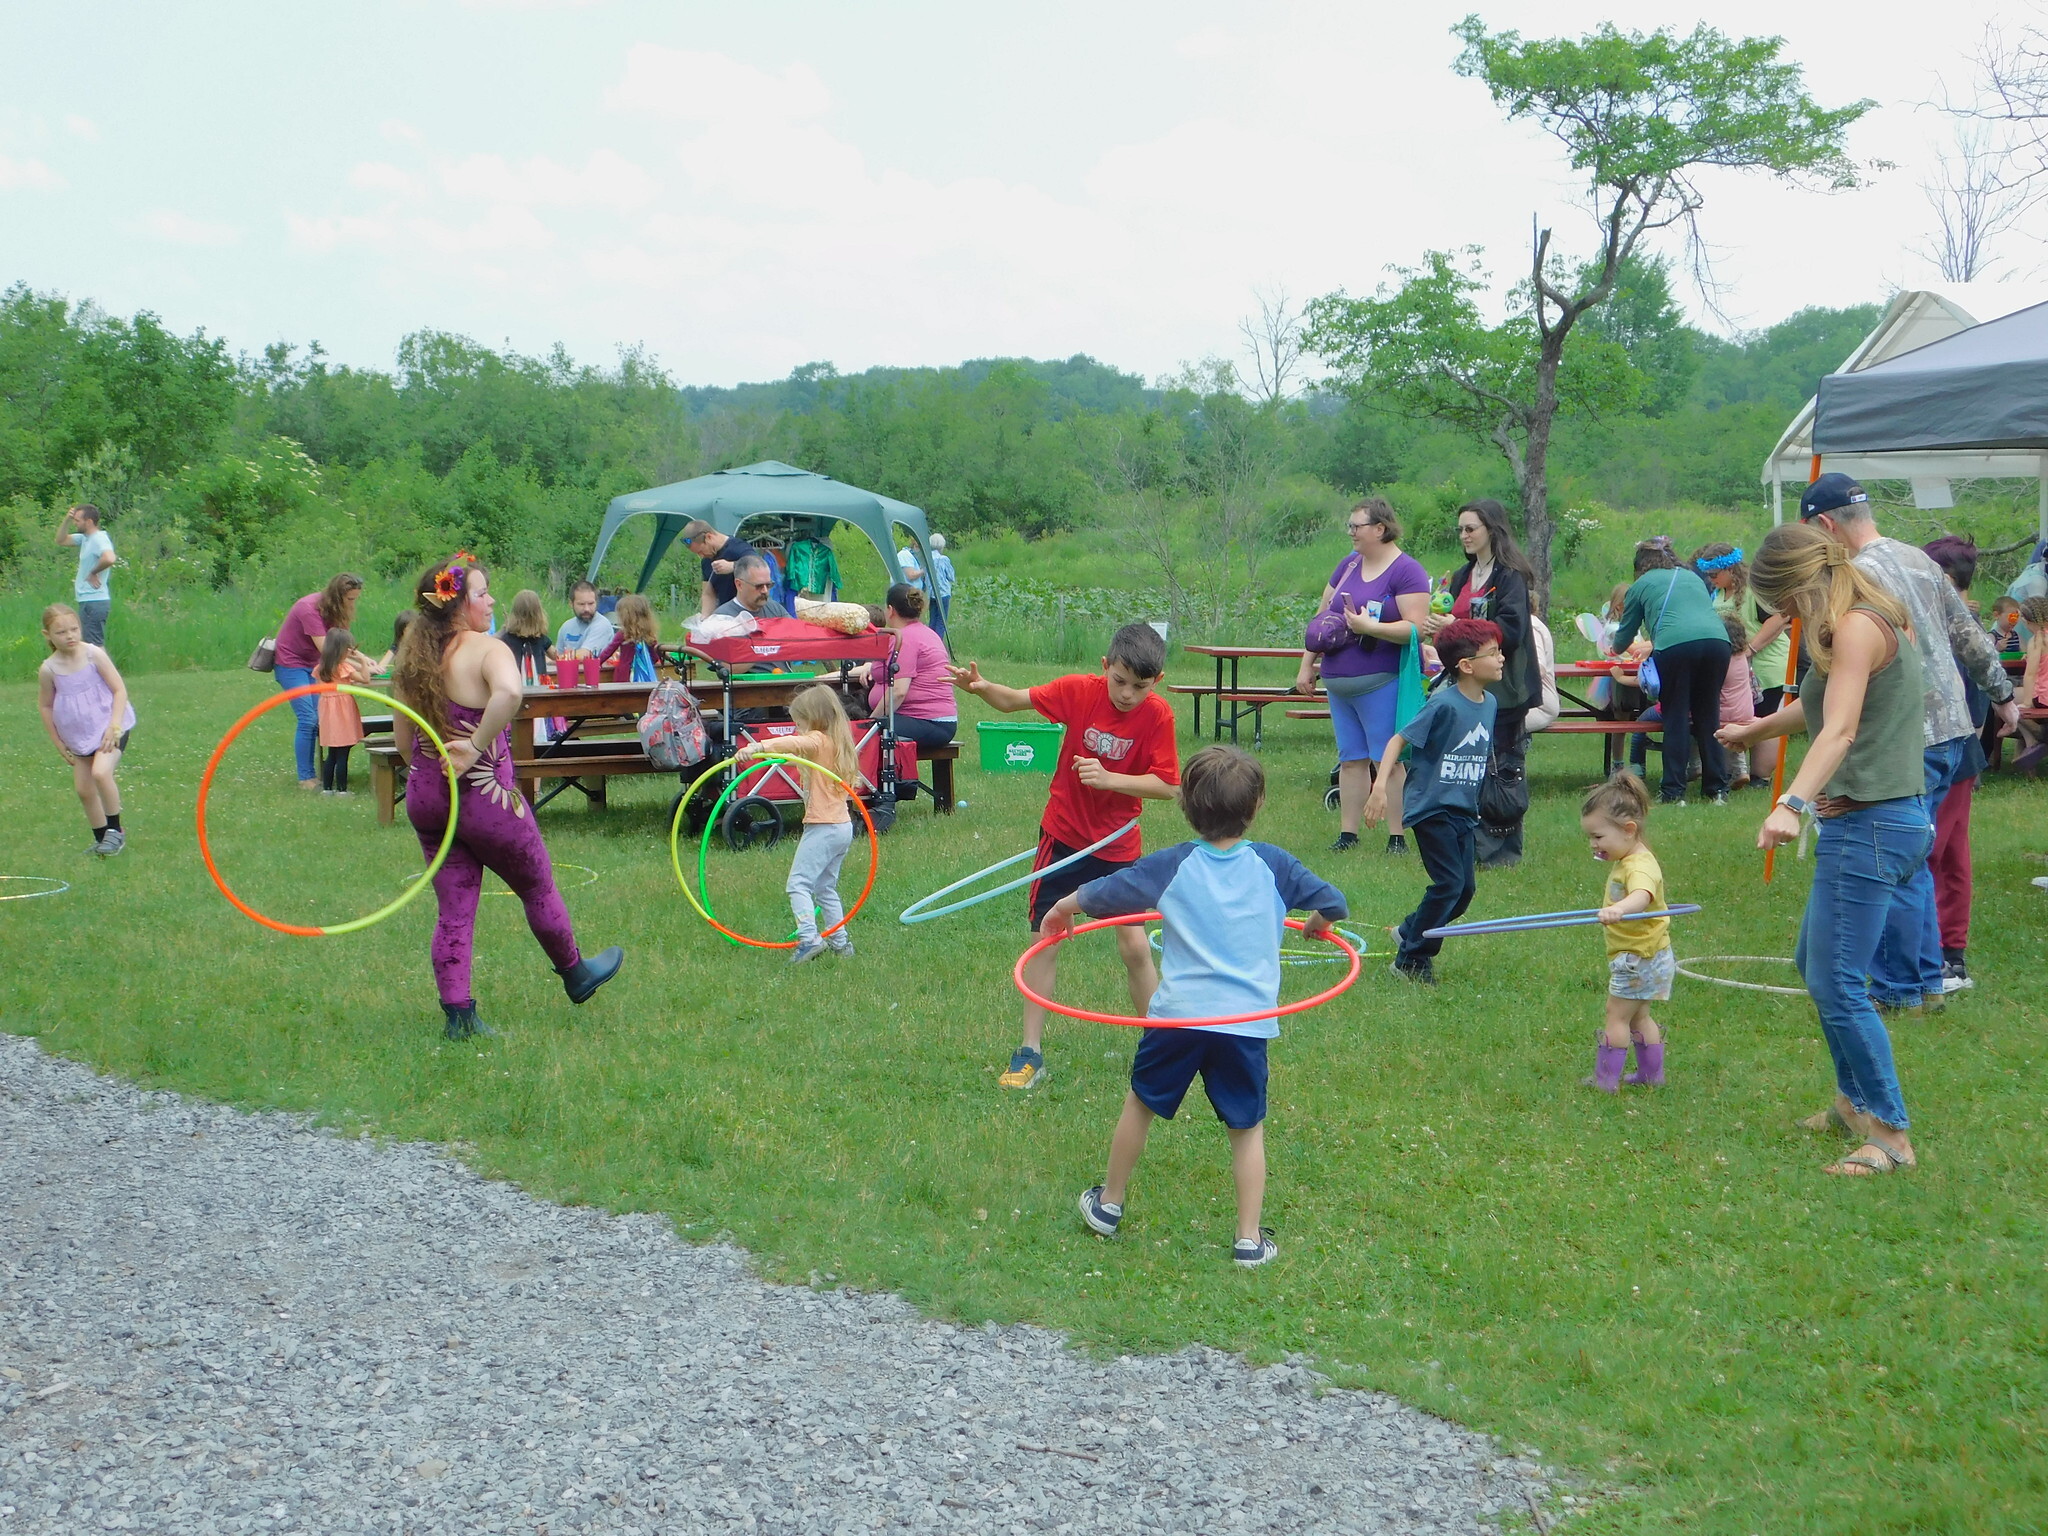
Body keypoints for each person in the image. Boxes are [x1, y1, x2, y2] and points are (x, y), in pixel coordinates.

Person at [1054, 746, 1347, 1267]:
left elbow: (1107, 892)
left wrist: (1061, 906)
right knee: (1246, 1128)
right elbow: (1333, 902)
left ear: (1186, 806)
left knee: (1140, 1104)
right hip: (1244, 1023)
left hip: (1179, 1017)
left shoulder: (1173, 864)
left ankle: (1110, 1205)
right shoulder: (1275, 865)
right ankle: (1248, 1240)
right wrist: (1319, 926)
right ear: (1256, 805)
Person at [1719, 521, 1928, 1176]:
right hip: (1863, 821)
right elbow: (1822, 707)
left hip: (1872, 822)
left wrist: (1790, 803)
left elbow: (1838, 731)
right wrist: (1757, 726)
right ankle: (1851, 1104)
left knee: (1839, 982)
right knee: (1817, 966)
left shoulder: (1859, 626)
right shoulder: (1845, 623)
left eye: (1774, 602)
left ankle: (1890, 1134)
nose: (1775, 616)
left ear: (1792, 588)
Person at [1797, 472, 2017, 1011]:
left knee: (1886, 856)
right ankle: (1924, 981)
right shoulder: (1919, 559)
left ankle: (1899, 988)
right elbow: (1968, 634)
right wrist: (2004, 696)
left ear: (1826, 526)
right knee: (1914, 857)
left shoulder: (1852, 576)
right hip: (1953, 732)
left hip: (1904, 737)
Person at [391, 555, 623, 1041]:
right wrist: (475, 747)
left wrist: (432, 763)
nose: (491, 600)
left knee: (453, 911)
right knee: (537, 886)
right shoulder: (486, 648)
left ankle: (459, 1017)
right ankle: (575, 974)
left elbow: (401, 740)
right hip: (484, 799)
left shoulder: (414, 653)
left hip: (427, 797)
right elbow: (510, 696)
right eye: (481, 593)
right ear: (457, 603)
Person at [949, 623, 1182, 1090]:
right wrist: (981, 688)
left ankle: (1159, 1047)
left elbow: (1170, 786)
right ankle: (1030, 1053)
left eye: (1140, 687)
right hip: (1063, 836)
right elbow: (1014, 700)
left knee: (1135, 945)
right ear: (1105, 667)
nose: (1127, 694)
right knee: (1045, 936)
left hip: (1116, 845)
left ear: (1155, 682)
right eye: (1119, 681)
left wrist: (1112, 779)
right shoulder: (1079, 691)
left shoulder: (1158, 716)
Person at [1366, 619, 1503, 985]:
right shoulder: (1443, 704)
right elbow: (1398, 740)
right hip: (1432, 807)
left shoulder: (1489, 703)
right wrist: (1380, 787)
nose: (1502, 658)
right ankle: (1410, 960)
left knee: (1463, 891)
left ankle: (1410, 928)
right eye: (1494, 653)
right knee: (1448, 885)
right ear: (1467, 665)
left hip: (1463, 810)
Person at [1292, 498, 1431, 856]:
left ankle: (1397, 836)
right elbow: (1323, 618)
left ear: (1380, 529)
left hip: (1381, 681)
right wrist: (1307, 663)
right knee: (1350, 759)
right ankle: (1348, 834)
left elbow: (1416, 629)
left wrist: (1373, 627)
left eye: (1357, 526)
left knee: (1389, 759)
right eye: (1350, 527)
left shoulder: (1407, 571)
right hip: (1338, 683)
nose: (1351, 533)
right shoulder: (1348, 565)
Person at [1425, 500, 1539, 867]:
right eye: (1460, 529)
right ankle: (1466, 843)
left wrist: (1456, 630)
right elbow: (1455, 631)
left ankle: (1501, 851)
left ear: (1492, 529)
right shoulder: (1462, 575)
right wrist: (1438, 630)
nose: (1465, 535)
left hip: (1505, 688)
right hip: (1466, 688)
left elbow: (1513, 628)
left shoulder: (1510, 576)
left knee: (1503, 767)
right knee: (1466, 763)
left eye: (1471, 528)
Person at [735, 684, 863, 964]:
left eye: (799, 724)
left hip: (823, 827)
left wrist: (757, 747)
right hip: (842, 826)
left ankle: (809, 938)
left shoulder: (817, 740)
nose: (798, 730)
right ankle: (841, 944)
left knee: (798, 885)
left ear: (813, 720)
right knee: (825, 888)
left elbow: (792, 744)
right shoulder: (838, 740)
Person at [1915, 538, 1991, 993]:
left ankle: (1942, 958)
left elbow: (1973, 703)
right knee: (1945, 854)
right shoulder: (1949, 625)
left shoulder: (1958, 631)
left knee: (1936, 853)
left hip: (1953, 754)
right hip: (1958, 754)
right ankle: (1946, 955)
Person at [1610, 540, 1732, 806]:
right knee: (1708, 715)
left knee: (1675, 716)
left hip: (1675, 647)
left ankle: (1674, 792)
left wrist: (1613, 647)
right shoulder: (1692, 577)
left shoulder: (1640, 586)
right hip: (1718, 644)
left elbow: (1625, 635)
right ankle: (1717, 790)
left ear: (1640, 564)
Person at [1579, 772, 1674, 1092]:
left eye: (1598, 837)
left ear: (1628, 830)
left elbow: (1643, 895)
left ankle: (1606, 1081)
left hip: (1636, 957)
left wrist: (1620, 909)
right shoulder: (1633, 856)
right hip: (1652, 953)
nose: (1593, 844)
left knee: (1615, 1016)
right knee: (1639, 1016)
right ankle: (1651, 1076)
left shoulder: (1638, 866)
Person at [37, 602, 135, 857]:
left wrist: (114, 726)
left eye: (74, 629)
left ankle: (116, 833)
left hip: (109, 728)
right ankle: (101, 838)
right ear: (47, 635)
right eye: (61, 632)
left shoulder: (93, 654)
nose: (69, 636)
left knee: (101, 773)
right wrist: (59, 743)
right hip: (78, 736)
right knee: (84, 789)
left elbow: (119, 689)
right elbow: (46, 706)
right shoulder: (48, 669)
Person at [1696, 542, 1786, 787]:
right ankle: (1737, 771)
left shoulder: (1753, 592)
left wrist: (1751, 648)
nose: (1711, 579)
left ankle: (1761, 776)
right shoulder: (1718, 594)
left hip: (1767, 666)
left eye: (1714, 574)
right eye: (1709, 575)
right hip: (1738, 670)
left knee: (1763, 720)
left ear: (1730, 569)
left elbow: (1780, 617)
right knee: (1741, 718)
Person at [274, 573, 365, 788]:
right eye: (350, 599)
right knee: (308, 719)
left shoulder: (337, 611)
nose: (353, 604)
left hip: (317, 664)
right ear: (338, 595)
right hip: (291, 663)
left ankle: (326, 773)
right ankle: (306, 777)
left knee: (322, 719)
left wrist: (366, 663)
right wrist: (360, 664)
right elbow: (328, 649)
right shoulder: (309, 608)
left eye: (355, 599)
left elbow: (343, 647)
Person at [851, 584, 956, 746]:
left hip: (929, 721)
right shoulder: (925, 633)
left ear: (890, 610)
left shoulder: (905, 639)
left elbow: (898, 692)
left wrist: (871, 723)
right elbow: (871, 669)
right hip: (930, 720)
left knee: (857, 734)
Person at [314, 628, 374, 795]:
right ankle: (342, 790)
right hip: (342, 712)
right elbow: (366, 679)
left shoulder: (321, 668)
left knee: (332, 752)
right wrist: (362, 661)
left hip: (327, 711)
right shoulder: (344, 667)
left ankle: (327, 788)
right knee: (343, 753)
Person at [55, 504, 116, 648]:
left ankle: (107, 671)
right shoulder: (85, 538)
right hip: (87, 600)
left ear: (88, 521)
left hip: (95, 600)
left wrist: (93, 572)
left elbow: (109, 558)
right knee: (89, 645)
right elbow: (60, 540)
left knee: (94, 646)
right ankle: (97, 671)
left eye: (77, 520)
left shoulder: (98, 538)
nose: (75, 523)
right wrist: (67, 520)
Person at [682, 520, 763, 614]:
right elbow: (708, 594)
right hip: (725, 616)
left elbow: (759, 565)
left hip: (750, 615)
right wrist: (704, 619)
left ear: (709, 537)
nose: (701, 556)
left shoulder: (739, 548)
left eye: (701, 551)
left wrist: (733, 566)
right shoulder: (706, 561)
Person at [1717, 612, 1757, 789]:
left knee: (1696, 722)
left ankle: (1696, 766)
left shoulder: (1722, 660)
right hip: (1746, 710)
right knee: (1735, 724)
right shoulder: (1742, 657)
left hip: (1727, 713)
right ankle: (1741, 769)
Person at [2013, 595, 2048, 773]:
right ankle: (2031, 742)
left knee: (2003, 699)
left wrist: (2026, 703)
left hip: (2043, 697)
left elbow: (2031, 674)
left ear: (2028, 621)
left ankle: (2034, 738)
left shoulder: (2037, 640)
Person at [598, 593, 664, 681]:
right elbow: (655, 657)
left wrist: (597, 662)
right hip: (645, 673)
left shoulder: (623, 634)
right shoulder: (649, 635)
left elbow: (608, 651)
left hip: (624, 674)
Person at [712, 555, 789, 619]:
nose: (765, 591)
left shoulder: (775, 609)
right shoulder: (722, 618)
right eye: (759, 586)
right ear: (739, 585)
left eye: (768, 585)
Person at [500, 590, 553, 684]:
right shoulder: (541, 639)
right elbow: (558, 657)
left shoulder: (505, 640)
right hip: (540, 691)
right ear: (539, 614)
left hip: (514, 687)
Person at [554, 580, 615, 660]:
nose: (587, 609)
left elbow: (585, 655)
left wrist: (559, 658)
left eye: (591, 604)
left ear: (596, 602)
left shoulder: (602, 625)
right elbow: (556, 657)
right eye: (581, 604)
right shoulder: (566, 627)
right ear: (571, 604)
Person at [928, 532, 957, 627]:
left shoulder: (927, 558)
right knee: (941, 621)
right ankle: (938, 641)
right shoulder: (943, 559)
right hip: (943, 593)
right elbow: (951, 577)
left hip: (931, 593)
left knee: (932, 619)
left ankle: (930, 640)